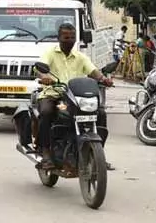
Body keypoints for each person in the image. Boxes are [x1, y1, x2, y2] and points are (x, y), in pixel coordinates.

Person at [35, 22, 113, 169]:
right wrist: (44, 76)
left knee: (100, 113)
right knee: (46, 112)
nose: (69, 40)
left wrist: (103, 79)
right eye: (66, 37)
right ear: (59, 38)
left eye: (72, 37)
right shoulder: (50, 53)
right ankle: (45, 153)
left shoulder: (80, 56)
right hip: (55, 95)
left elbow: (93, 71)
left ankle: (98, 154)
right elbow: (40, 68)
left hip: (75, 97)